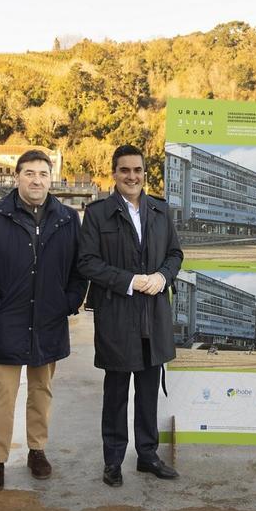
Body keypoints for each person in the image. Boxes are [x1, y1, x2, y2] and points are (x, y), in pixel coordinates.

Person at [0, 150, 87, 492]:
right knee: (3, 391)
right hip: (9, 321)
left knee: (41, 390)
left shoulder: (66, 218)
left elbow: (79, 269)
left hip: (49, 319)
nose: (36, 180)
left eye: (43, 174)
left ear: (52, 178)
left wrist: (69, 302)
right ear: (17, 177)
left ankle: (37, 450)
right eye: (29, 173)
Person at [77, 144, 183, 487]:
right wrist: (129, 281)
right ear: (115, 174)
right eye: (125, 170)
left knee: (149, 391)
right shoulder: (97, 214)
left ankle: (148, 456)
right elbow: (87, 263)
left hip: (153, 314)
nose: (132, 176)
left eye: (138, 170)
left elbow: (175, 254)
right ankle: (113, 460)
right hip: (117, 315)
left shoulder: (160, 211)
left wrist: (162, 276)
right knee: (117, 392)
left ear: (145, 174)